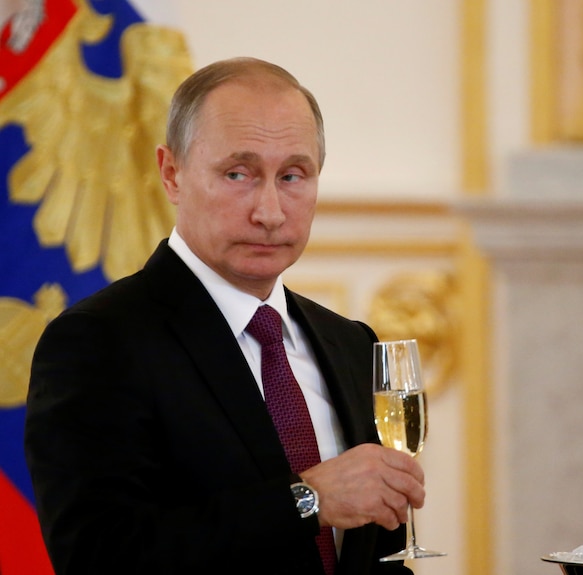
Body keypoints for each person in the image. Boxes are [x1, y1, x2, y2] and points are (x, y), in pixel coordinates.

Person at [24, 57, 425, 575]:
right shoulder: (98, 341)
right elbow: (99, 555)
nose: (270, 211)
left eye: (293, 176)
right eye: (239, 173)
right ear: (172, 174)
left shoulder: (350, 343)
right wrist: (307, 500)